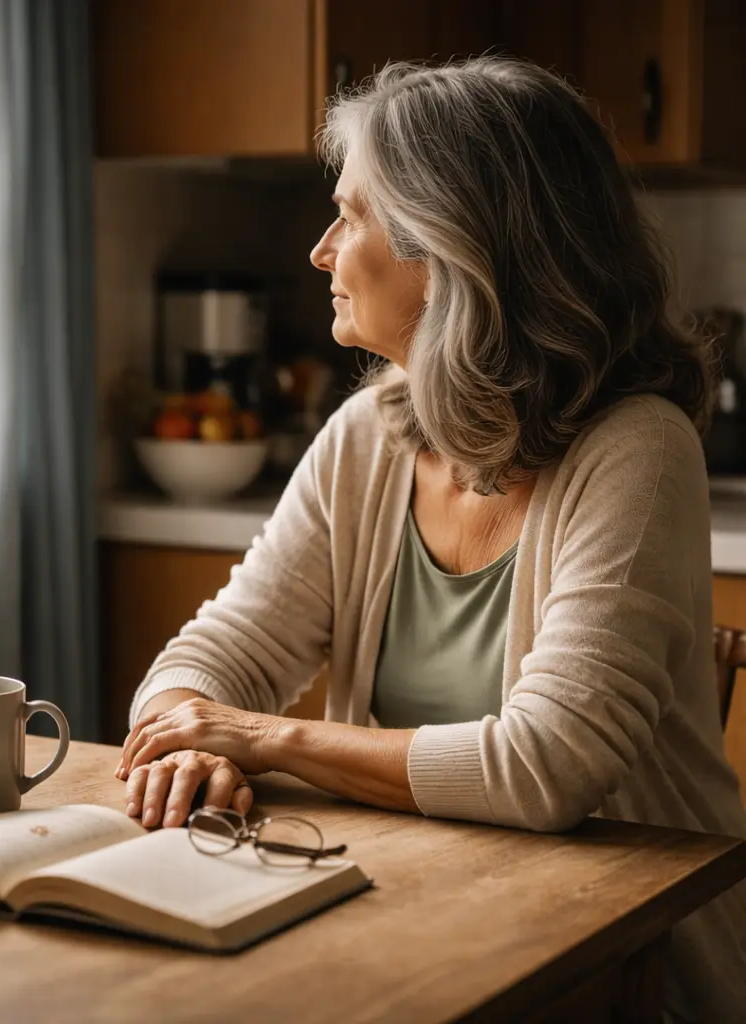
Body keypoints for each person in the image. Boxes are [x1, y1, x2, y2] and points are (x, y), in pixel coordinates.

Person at [115, 59, 746, 1021]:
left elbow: (548, 768)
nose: (323, 251)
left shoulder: (639, 452)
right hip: (415, 916)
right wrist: (186, 741)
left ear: (452, 249)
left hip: (632, 973)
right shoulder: (368, 436)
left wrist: (258, 736)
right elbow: (218, 650)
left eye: (353, 217)